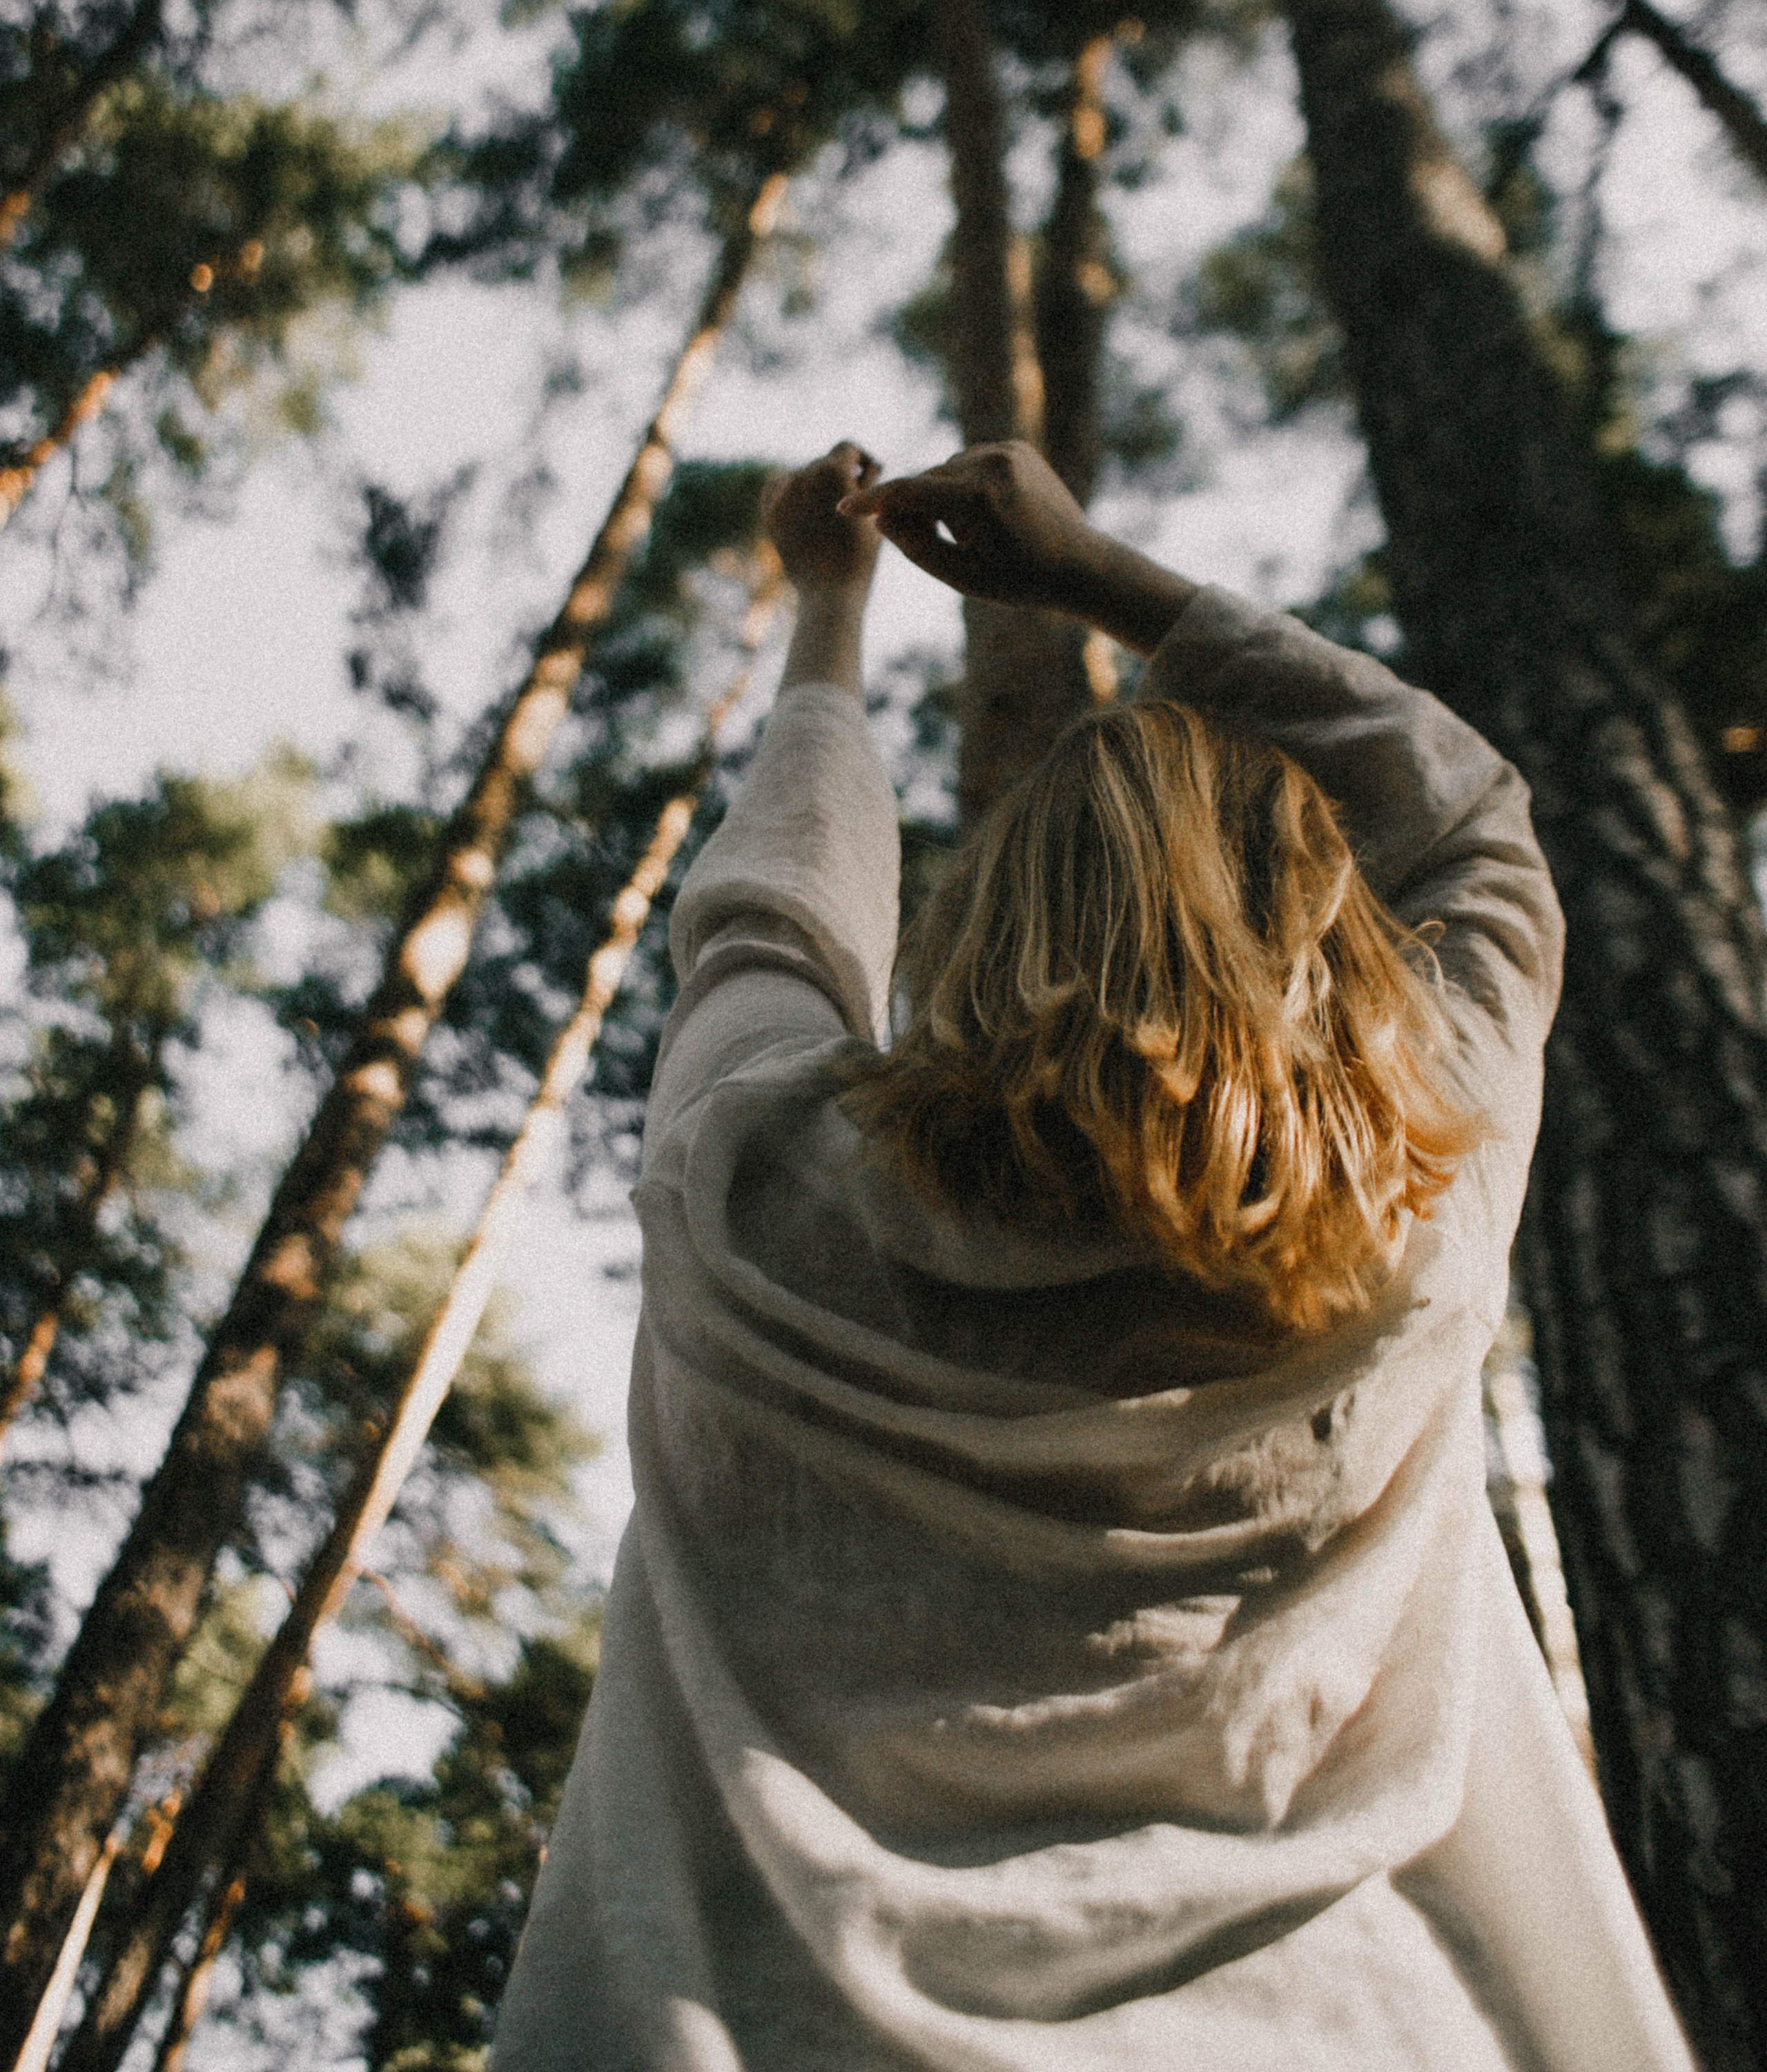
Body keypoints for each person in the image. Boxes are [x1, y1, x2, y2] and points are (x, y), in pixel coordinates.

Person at [492, 440, 1694, 2072]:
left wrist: (826, 623)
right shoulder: (1421, 1182)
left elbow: (771, 917)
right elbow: (1473, 826)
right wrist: (1095, 574)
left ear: (978, 925)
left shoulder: (751, 1180)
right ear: (1325, 924)